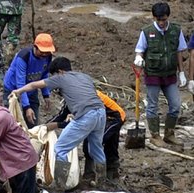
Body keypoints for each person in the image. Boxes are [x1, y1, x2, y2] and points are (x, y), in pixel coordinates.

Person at [12, 57, 107, 186]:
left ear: (60, 71)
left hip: (86, 116)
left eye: (54, 74)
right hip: (101, 113)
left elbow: (35, 85)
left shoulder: (61, 77)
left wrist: (19, 91)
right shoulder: (84, 77)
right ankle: (102, 183)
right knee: (96, 148)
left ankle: (60, 185)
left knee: (60, 148)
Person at [133, 2, 187, 147]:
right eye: (159, 20)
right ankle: (155, 135)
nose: (161, 23)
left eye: (164, 19)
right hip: (153, 75)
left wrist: (181, 72)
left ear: (168, 16)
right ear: (154, 18)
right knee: (152, 106)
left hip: (170, 75)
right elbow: (140, 49)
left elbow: (179, 52)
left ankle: (169, 134)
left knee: (175, 105)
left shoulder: (176, 30)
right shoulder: (146, 32)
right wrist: (139, 58)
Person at [46, 90, 126, 180]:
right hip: (102, 116)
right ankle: (93, 174)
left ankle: (104, 174)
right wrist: (44, 126)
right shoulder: (72, 97)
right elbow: (62, 115)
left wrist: (58, 125)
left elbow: (82, 123)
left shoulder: (83, 96)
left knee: (96, 144)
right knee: (98, 143)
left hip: (114, 117)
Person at [4, 33, 55, 128]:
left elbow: (44, 75)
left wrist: (46, 95)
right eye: (42, 51)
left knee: (32, 120)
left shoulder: (48, 57)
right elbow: (20, 84)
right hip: (13, 88)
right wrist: (26, 107)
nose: (44, 54)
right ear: (35, 47)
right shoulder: (24, 57)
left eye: (47, 52)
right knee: (10, 120)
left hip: (32, 88)